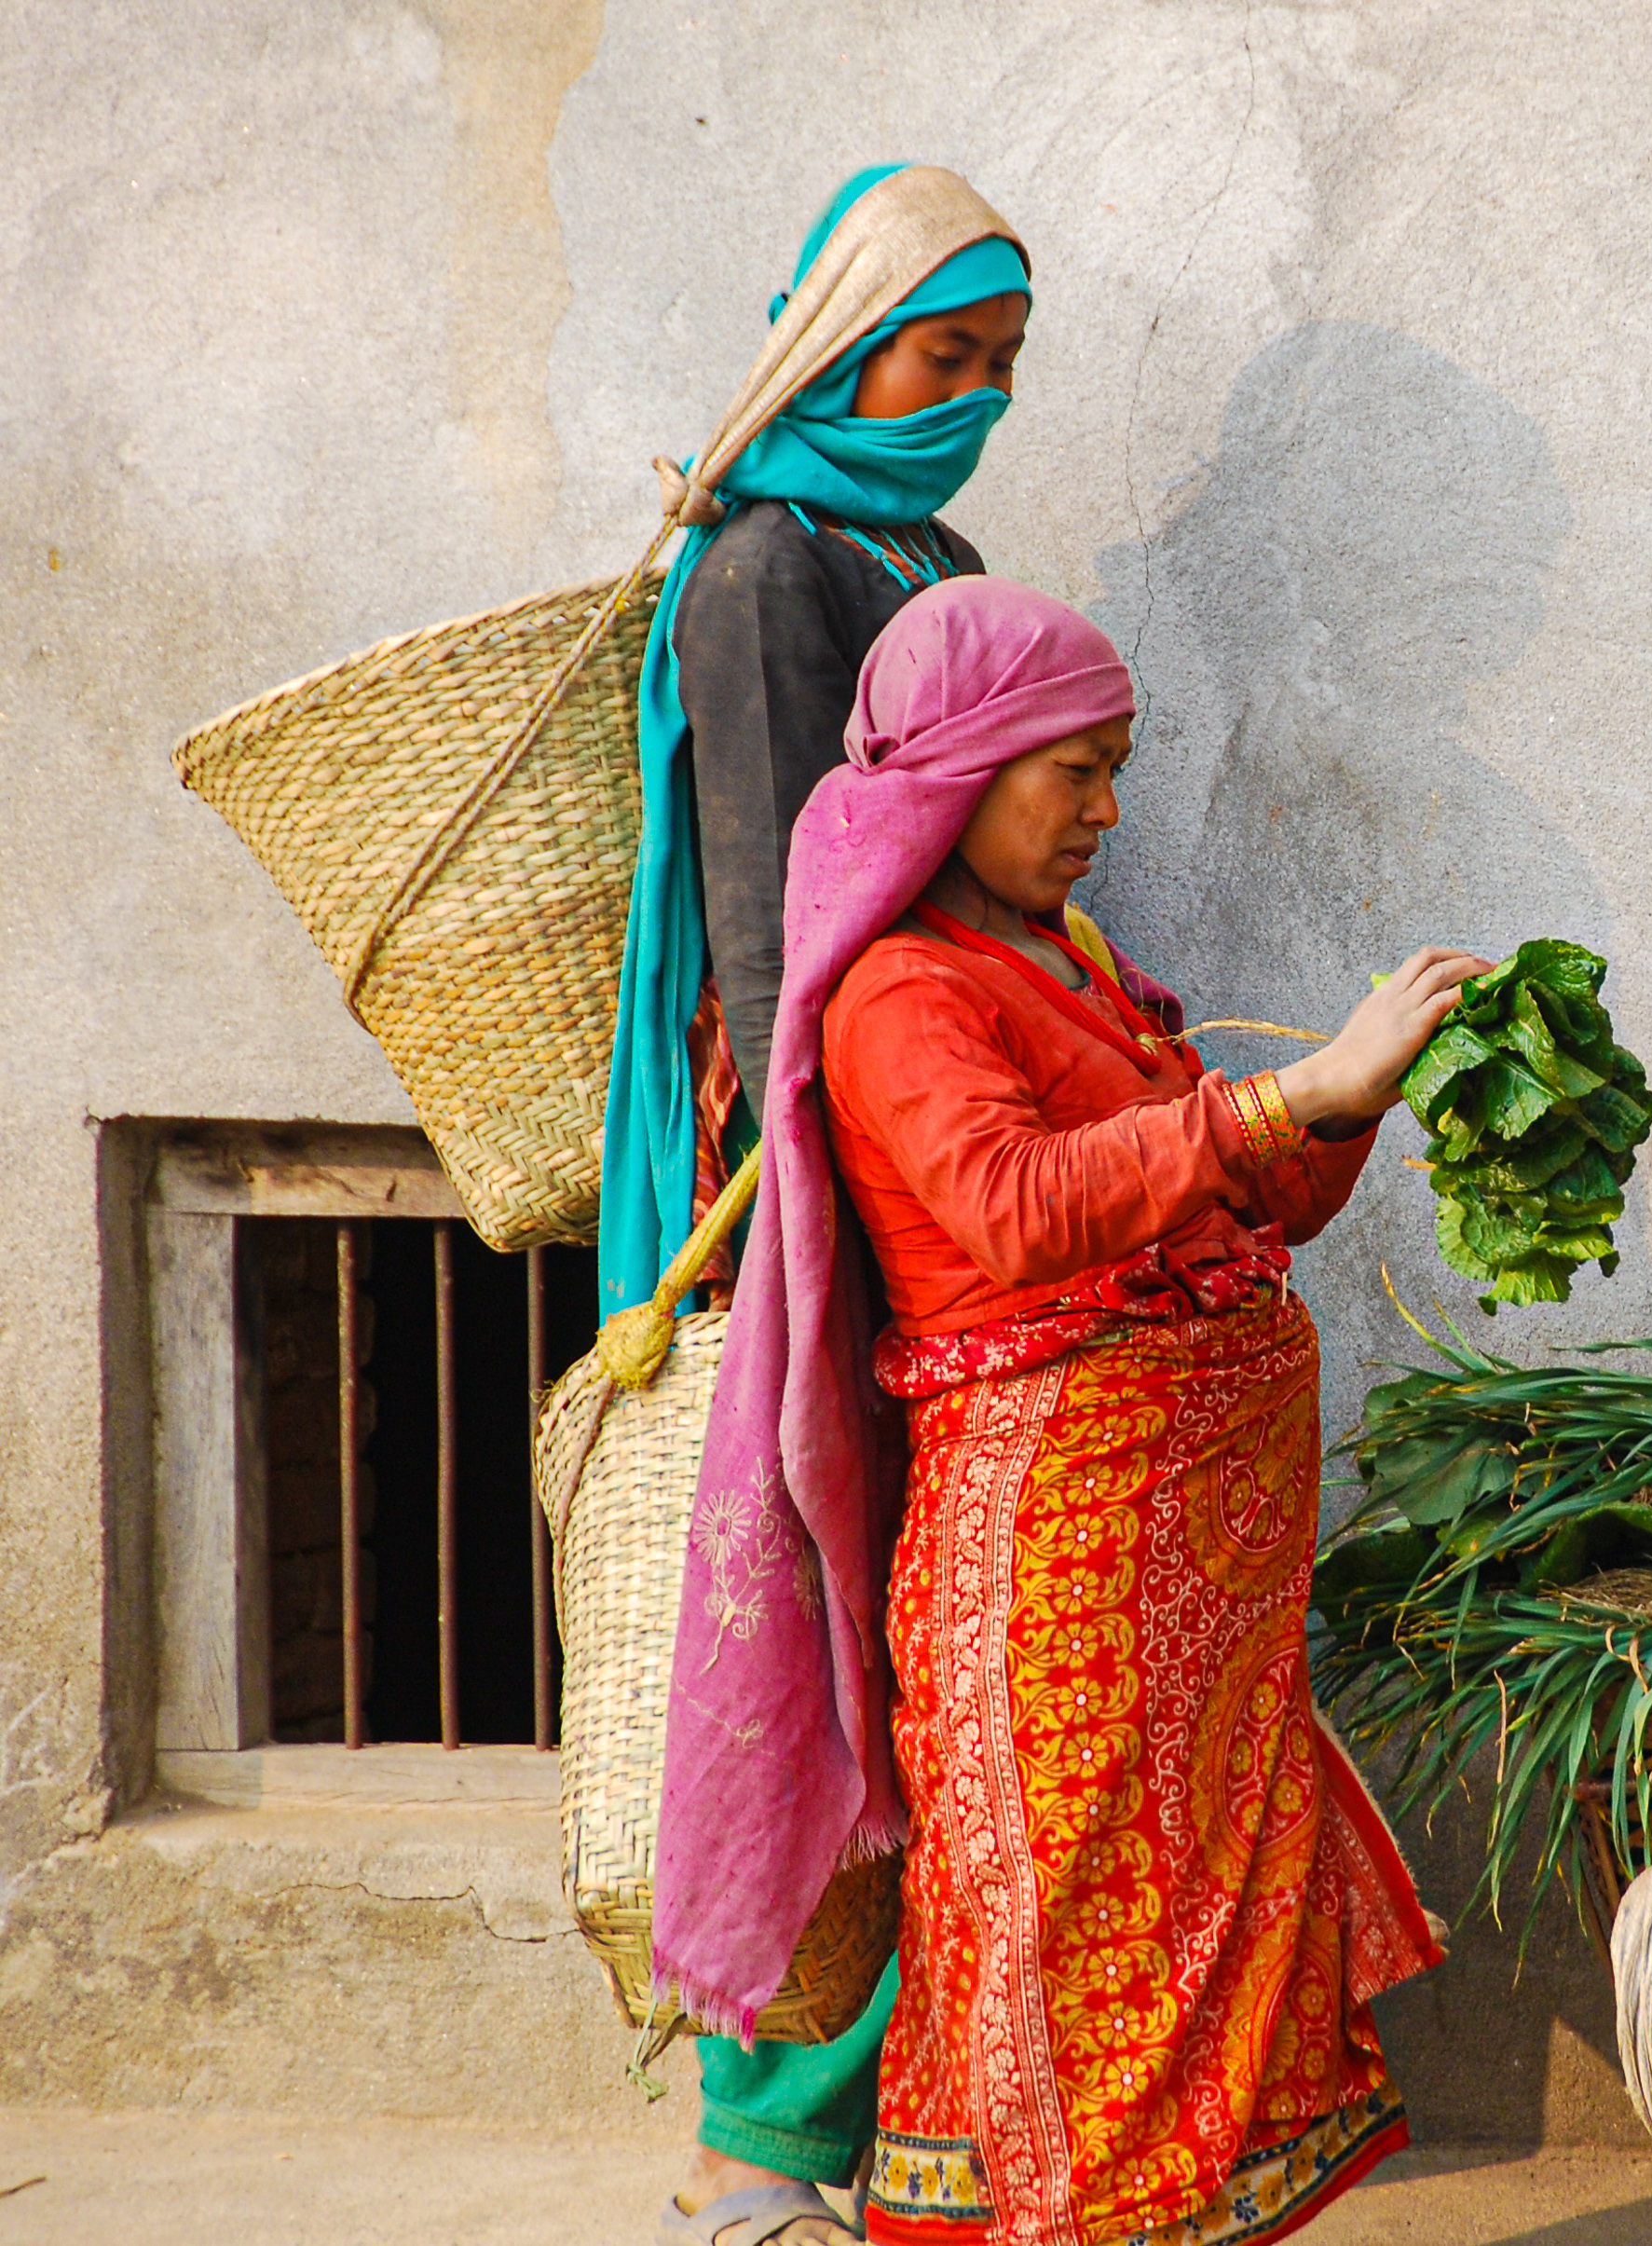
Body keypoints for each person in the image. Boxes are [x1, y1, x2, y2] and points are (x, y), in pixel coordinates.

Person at [661, 573, 1468, 2246]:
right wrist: (1285, 1091)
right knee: (1059, 1946)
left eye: (1118, 768)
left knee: (1180, 1949)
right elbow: (1017, 1209)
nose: (1106, 811)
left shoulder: (1071, 961)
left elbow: (1250, 1195)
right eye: (1074, 771)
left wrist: (1358, 1099)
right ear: (962, 766)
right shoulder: (899, 991)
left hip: (1194, 1597)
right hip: (1061, 1581)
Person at [591, 161, 1054, 2246]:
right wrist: (819, 1171)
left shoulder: (916, 542)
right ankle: (757, 2146)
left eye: (1000, 367)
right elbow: (787, 905)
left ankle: (876, 2106)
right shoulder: (777, 561)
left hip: (929, 1117)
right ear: (843, 338)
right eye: (943, 356)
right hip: (818, 1144)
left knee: (898, 1621)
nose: (972, 398)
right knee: (797, 1603)